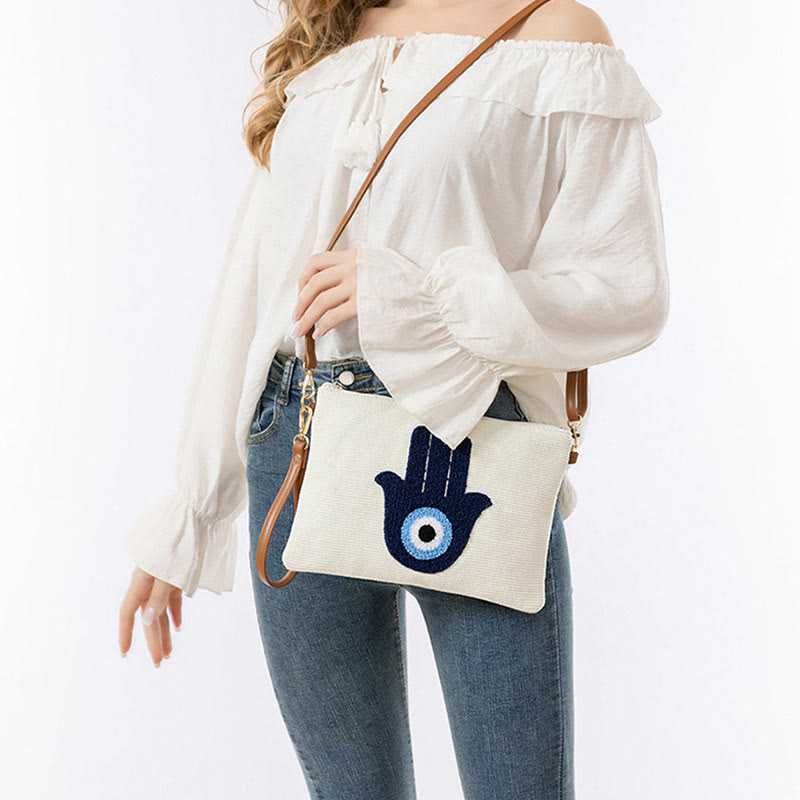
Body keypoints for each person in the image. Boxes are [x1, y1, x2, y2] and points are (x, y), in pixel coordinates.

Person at [118, 0, 669, 796]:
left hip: (474, 439)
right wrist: (192, 512)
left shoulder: (559, 38)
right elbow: (255, 287)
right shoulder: (331, 38)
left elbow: (626, 288)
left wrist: (421, 298)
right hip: (297, 445)